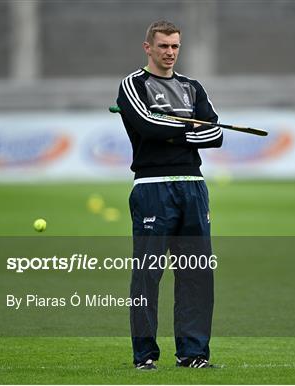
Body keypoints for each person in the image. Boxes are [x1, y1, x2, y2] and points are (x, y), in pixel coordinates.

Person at [116, 20, 222, 370]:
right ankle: (144, 355)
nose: (170, 52)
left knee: (197, 271)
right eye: (163, 46)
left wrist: (175, 132)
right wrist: (188, 129)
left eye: (175, 46)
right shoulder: (134, 84)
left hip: (193, 185)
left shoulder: (193, 87)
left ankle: (193, 353)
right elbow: (148, 125)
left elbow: (215, 132)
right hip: (152, 188)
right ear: (148, 47)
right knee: (148, 273)